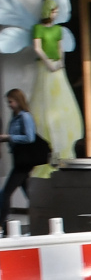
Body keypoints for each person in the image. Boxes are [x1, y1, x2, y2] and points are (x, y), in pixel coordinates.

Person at [29, 0, 83, 178]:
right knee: (45, 100)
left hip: (57, 68)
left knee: (61, 99)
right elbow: (37, 48)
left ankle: (66, 147)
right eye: (54, 11)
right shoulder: (38, 28)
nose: (56, 14)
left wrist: (60, 62)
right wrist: (48, 63)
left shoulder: (58, 29)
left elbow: (60, 48)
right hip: (45, 67)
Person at [1, 89, 42, 224]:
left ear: (18, 101)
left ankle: (1, 223)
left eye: (11, 102)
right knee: (29, 193)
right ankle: (43, 216)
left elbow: (30, 138)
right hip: (18, 158)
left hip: (24, 162)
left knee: (5, 193)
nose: (9, 105)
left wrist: (9, 137)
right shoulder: (15, 116)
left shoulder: (25, 116)